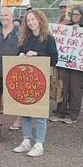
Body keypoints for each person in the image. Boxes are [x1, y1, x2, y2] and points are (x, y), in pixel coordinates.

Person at [12, 10, 59, 157]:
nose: (31, 22)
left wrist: (37, 55)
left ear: (39, 20)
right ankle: (26, 141)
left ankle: (39, 144)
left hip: (41, 79)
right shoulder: (26, 38)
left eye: (33, 19)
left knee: (39, 113)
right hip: (26, 79)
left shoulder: (48, 39)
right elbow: (20, 52)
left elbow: (54, 59)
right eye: (28, 20)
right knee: (25, 111)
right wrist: (20, 54)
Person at [50, 5, 83, 124]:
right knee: (62, 88)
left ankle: (72, 114)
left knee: (75, 89)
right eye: (73, 14)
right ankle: (60, 112)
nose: (75, 16)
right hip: (64, 63)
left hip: (79, 66)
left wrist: (80, 30)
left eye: (77, 14)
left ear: (82, 15)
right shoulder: (66, 27)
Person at [0, 6, 21, 130]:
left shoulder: (20, 32)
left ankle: (17, 121)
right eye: (1, 16)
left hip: (14, 71)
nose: (4, 18)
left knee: (15, 97)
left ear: (11, 17)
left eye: (6, 15)